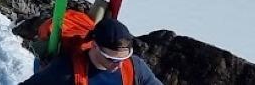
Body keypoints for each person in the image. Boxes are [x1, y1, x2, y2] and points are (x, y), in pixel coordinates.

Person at [18, 18, 163, 85]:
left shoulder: (134, 67)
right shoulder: (65, 70)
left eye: (122, 59)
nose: (118, 65)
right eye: (111, 59)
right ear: (94, 45)